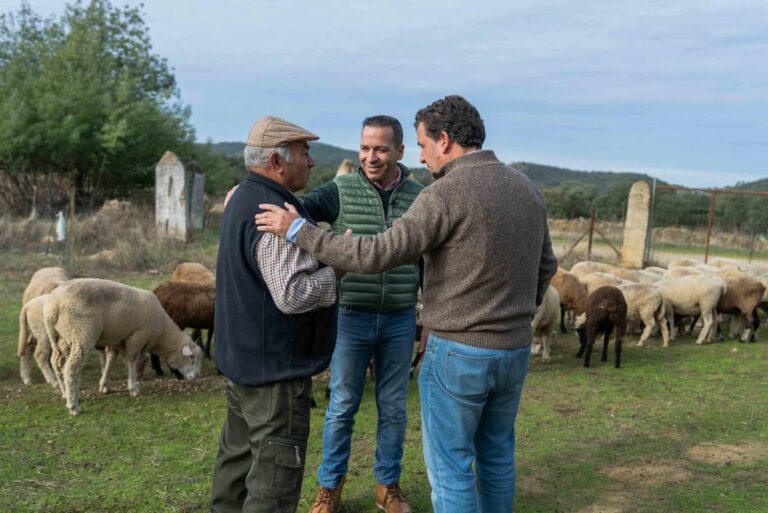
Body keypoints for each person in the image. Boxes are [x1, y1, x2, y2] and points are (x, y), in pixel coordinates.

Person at [255, 96, 559, 513]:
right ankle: (333, 486)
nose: (421, 154)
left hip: (457, 349)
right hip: (514, 350)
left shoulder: (442, 193)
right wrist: (514, 313)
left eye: (421, 144)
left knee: (451, 467)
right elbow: (547, 265)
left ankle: (387, 486)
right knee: (496, 455)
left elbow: (378, 254)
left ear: (446, 140)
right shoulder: (527, 189)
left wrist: (300, 233)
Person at [210, 115, 340, 513]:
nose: (312, 161)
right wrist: (339, 266)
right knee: (272, 486)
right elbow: (292, 294)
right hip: (275, 376)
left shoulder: (242, 199)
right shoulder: (274, 214)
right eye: (305, 152)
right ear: (278, 162)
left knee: (235, 468)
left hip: (243, 365)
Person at [301, 115, 423, 513]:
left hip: (401, 317)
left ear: (400, 152)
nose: (371, 157)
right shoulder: (340, 189)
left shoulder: (421, 198)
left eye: (381, 149)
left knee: (393, 406)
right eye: (365, 148)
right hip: (350, 314)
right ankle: (329, 488)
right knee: (342, 404)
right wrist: (249, 195)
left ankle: (388, 485)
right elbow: (297, 208)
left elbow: (430, 262)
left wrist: (427, 320)